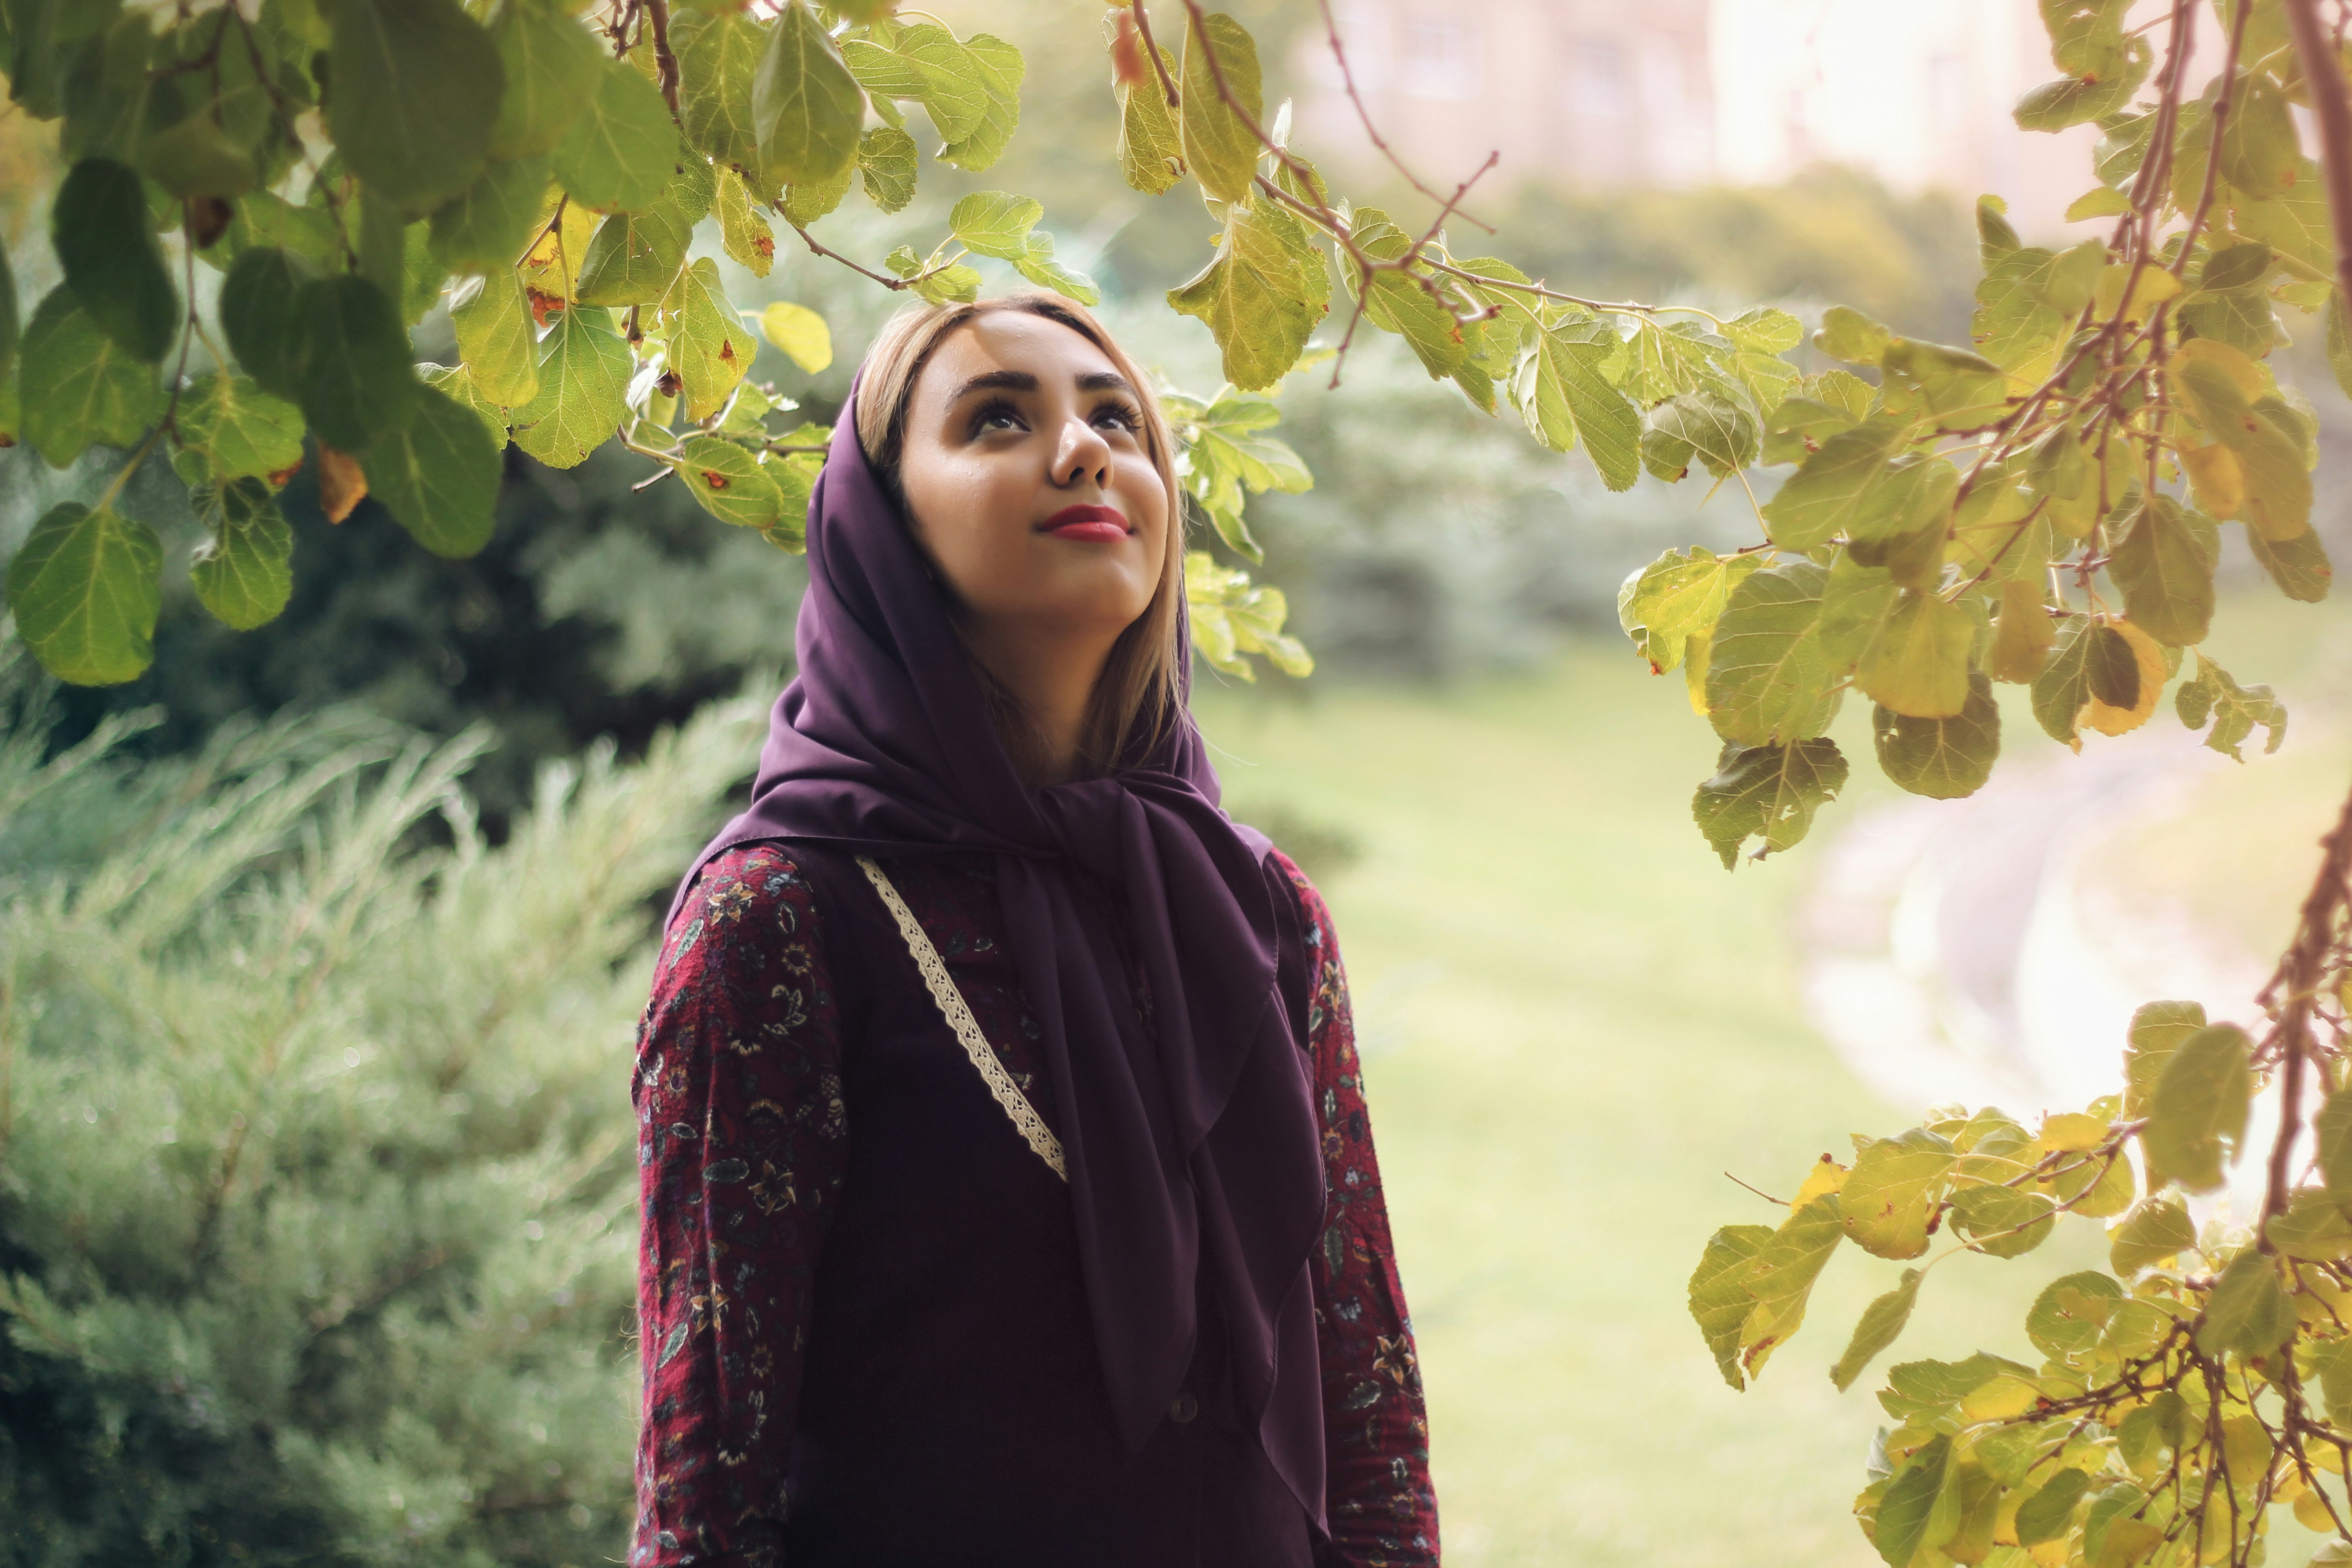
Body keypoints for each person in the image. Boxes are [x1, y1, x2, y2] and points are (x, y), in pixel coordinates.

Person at [628, 292, 1438, 1568]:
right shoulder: (780, 925)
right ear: (880, 531)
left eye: (1117, 418)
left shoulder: (1260, 911)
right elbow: (706, 1497)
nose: (1084, 450)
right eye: (998, 418)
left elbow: (1370, 1412)